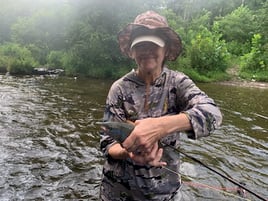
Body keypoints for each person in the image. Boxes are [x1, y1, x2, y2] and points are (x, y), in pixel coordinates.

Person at [99, 10, 222, 201]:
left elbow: (213, 114)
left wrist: (160, 127)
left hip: (165, 194)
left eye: (153, 44)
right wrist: (127, 152)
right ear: (132, 51)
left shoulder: (178, 83)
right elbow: (107, 143)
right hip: (118, 193)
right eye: (141, 45)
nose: (147, 50)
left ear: (166, 50)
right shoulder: (119, 89)